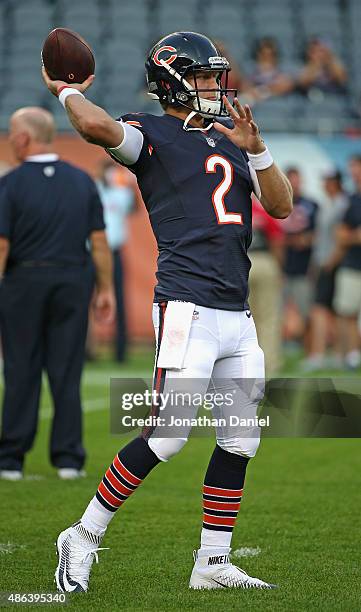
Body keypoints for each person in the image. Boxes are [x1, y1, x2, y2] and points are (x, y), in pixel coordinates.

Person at [42, 31, 292, 591]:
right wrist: (67, 91)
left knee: (241, 440)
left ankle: (213, 563)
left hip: (236, 311)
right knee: (169, 434)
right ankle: (82, 534)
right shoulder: (150, 133)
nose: (216, 86)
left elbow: (281, 205)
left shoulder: (232, 140)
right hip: (187, 308)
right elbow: (97, 128)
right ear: (175, 83)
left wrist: (258, 149)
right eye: (205, 77)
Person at [0, 107, 115, 481]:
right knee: (67, 371)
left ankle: (11, 459)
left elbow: (2, 246)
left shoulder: (10, 184)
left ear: (23, 138)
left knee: (21, 369)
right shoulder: (83, 182)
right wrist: (105, 289)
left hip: (23, 281)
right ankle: (68, 459)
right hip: (72, 281)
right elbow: (99, 241)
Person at [304, 169, 348, 371]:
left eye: (328, 180)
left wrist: (330, 262)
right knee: (329, 310)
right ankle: (336, 355)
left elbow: (341, 237)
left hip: (333, 263)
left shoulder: (341, 204)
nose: (324, 184)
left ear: (335, 182)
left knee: (322, 310)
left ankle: (320, 355)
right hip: (324, 262)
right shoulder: (327, 204)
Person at [96, 158, 136, 362]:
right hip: (93, 251)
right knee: (86, 300)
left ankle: (120, 351)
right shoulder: (95, 190)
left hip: (114, 251)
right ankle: (87, 350)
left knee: (119, 300)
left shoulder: (121, 193)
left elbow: (134, 207)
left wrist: (129, 183)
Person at [282, 167, 318, 344]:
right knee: (278, 310)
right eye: (291, 180)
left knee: (306, 311)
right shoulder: (277, 202)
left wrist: (304, 240)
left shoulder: (311, 205)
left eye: (296, 180)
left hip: (304, 268)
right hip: (282, 267)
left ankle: (309, 347)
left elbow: (318, 236)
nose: (294, 184)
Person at [248, 197, 284, 375]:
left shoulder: (232, 208)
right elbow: (277, 240)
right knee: (268, 318)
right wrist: (278, 267)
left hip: (240, 263)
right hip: (264, 261)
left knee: (243, 319)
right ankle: (269, 365)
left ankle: (244, 365)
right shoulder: (262, 210)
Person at [333, 156, 361, 370]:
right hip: (352, 264)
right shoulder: (352, 199)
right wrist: (354, 236)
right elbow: (341, 236)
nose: (354, 173)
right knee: (348, 312)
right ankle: (351, 355)